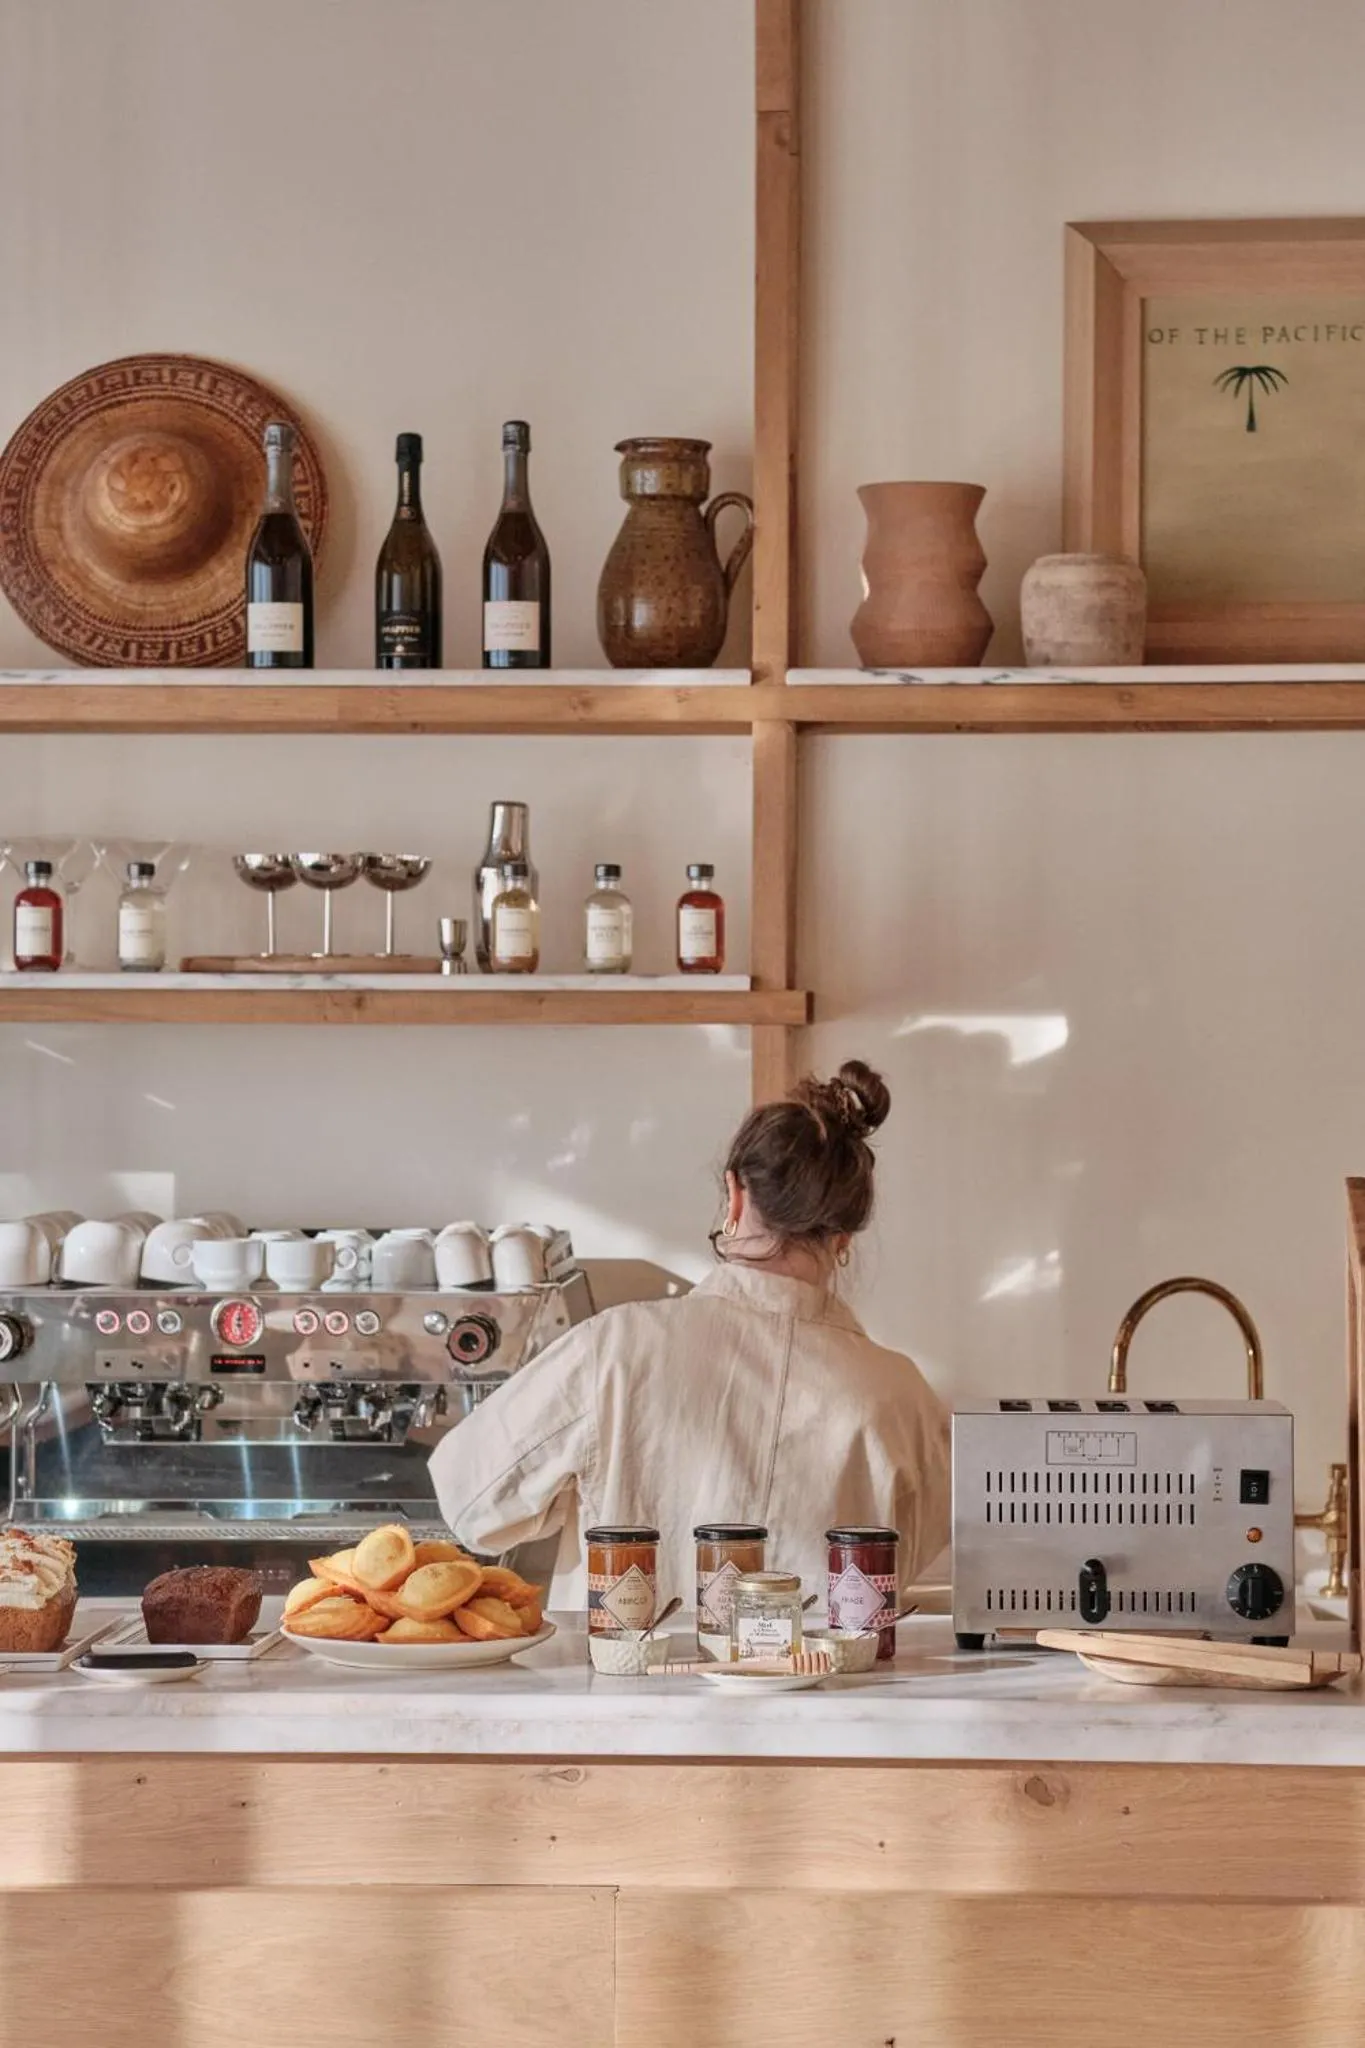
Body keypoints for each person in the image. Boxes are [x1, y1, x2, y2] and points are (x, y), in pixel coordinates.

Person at [429, 1060, 950, 1609]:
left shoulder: (617, 1348)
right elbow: (902, 1571)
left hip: (629, 1663)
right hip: (824, 1668)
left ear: (736, 1197)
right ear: (844, 1237)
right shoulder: (902, 1396)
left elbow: (471, 1505)